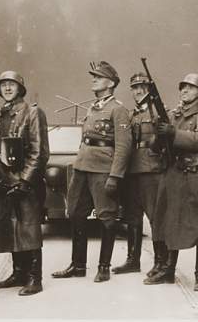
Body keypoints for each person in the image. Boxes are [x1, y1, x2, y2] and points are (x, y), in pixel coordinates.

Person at [51, 61, 132, 283]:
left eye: (98, 77)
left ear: (111, 83)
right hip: (82, 168)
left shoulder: (118, 109)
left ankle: (104, 266)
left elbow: (124, 147)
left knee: (107, 217)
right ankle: (77, 265)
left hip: (103, 170)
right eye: (93, 76)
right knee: (76, 214)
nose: (93, 79)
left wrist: (115, 176)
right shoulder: (93, 108)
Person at [144, 73, 198, 292]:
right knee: (169, 221)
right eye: (182, 87)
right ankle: (168, 270)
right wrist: (158, 133)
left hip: (196, 174)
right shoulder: (172, 115)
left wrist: (174, 133)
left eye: (189, 87)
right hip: (173, 173)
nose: (184, 90)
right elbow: (154, 147)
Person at [0, 70, 49, 296]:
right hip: (3, 181)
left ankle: (34, 278)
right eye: (3, 85)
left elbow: (40, 153)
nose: (7, 88)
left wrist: (25, 181)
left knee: (29, 229)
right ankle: (19, 272)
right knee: (10, 228)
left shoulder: (33, 113)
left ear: (20, 88)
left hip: (25, 183)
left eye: (12, 84)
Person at [111, 72, 167, 278]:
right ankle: (132, 261)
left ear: (149, 89)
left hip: (152, 170)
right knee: (133, 218)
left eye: (142, 87)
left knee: (156, 218)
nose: (138, 91)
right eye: (134, 88)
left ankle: (160, 262)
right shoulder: (131, 114)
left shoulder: (158, 112)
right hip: (132, 171)